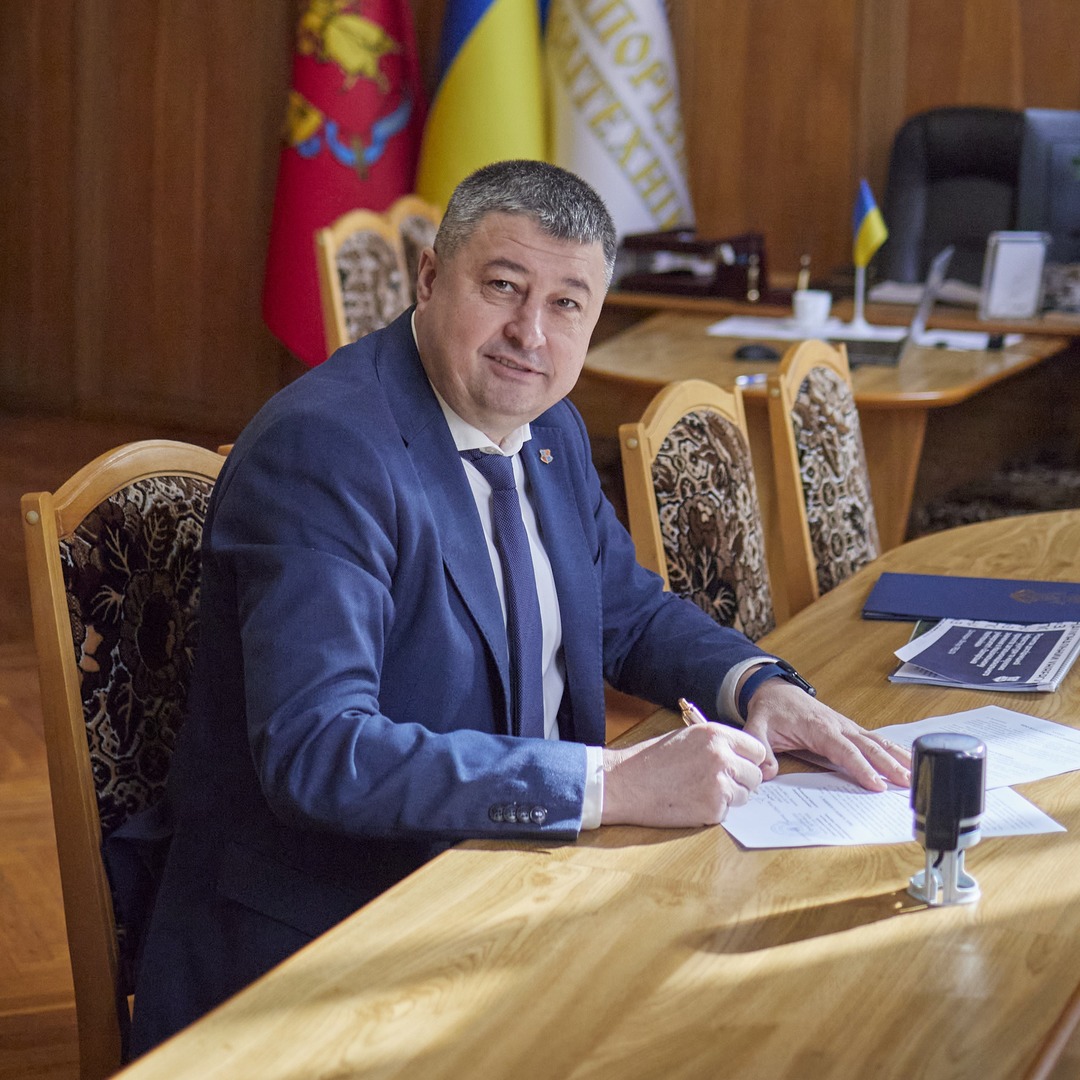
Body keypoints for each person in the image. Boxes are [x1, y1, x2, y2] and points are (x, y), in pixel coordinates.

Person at [128, 160, 909, 1054]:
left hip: (518, 886)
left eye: (567, 304)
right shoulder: (326, 451)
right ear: (430, 278)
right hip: (333, 939)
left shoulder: (547, 430)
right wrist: (609, 783)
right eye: (502, 287)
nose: (530, 333)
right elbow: (320, 751)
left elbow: (626, 614)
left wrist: (759, 687)